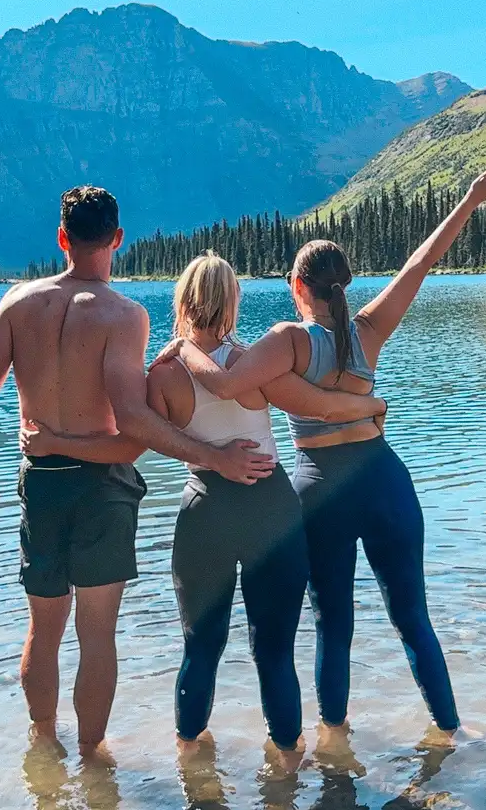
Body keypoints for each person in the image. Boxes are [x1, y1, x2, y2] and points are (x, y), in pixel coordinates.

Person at [164, 162, 486, 750]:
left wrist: (183, 343)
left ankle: (334, 738)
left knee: (333, 624)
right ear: (346, 284)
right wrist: (470, 198)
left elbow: (228, 385)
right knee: (413, 617)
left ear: (297, 286)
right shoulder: (369, 329)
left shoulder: (286, 341)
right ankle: (450, 729)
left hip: (319, 490)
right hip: (384, 479)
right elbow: (420, 263)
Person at [0, 185, 275, 757]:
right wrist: (214, 457)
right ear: (118, 241)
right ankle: (91, 757)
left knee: (43, 628)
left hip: (42, 482)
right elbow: (132, 422)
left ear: (61, 238)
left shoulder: (17, 303)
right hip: (101, 489)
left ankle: (44, 747)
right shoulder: (123, 316)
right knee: (96, 634)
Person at [146, 253, 386, 769]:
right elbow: (318, 404)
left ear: (182, 299)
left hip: (205, 508)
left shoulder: (163, 372)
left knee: (200, 647)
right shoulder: (257, 364)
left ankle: (191, 763)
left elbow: (151, 436)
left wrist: (207, 455)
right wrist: (371, 407)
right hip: (271, 509)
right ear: (233, 301)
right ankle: (287, 767)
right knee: (274, 651)